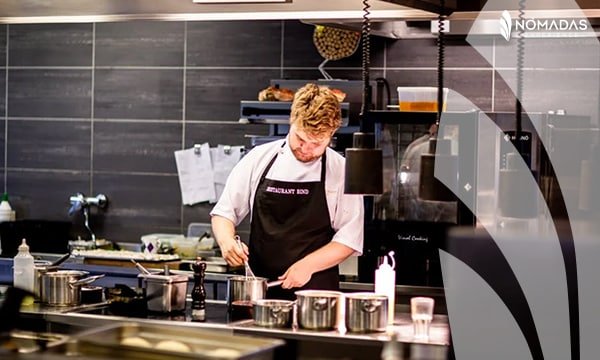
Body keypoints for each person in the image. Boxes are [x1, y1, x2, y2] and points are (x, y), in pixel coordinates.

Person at [210, 83, 364, 299]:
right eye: (300, 138)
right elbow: (224, 213)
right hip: (260, 293)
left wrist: (308, 265)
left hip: (316, 298)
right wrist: (226, 241)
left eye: (317, 143)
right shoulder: (259, 159)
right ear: (292, 121)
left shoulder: (341, 171)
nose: (306, 149)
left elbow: (349, 239)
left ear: (332, 133)